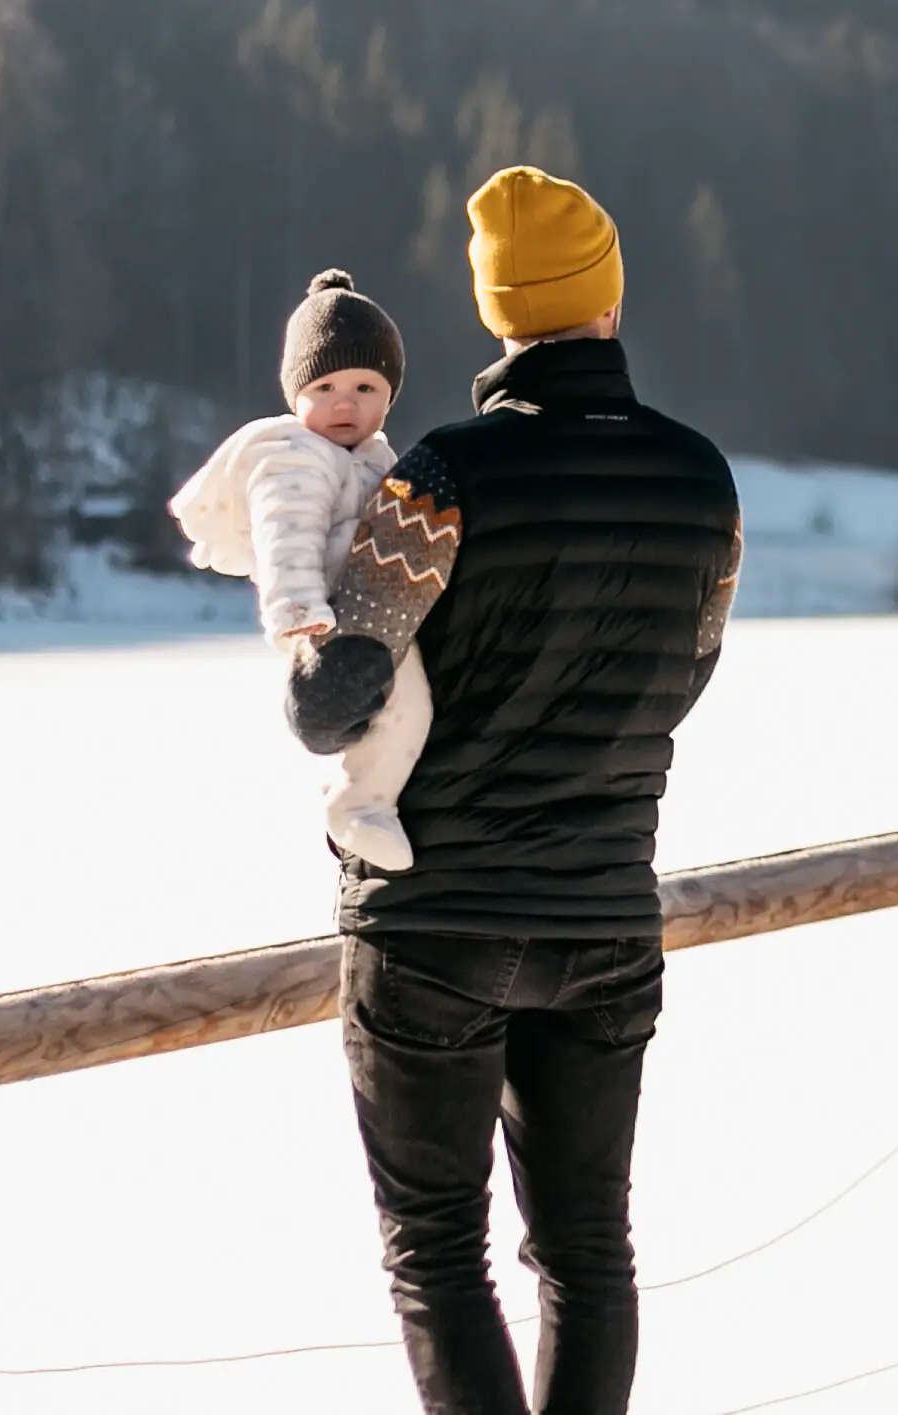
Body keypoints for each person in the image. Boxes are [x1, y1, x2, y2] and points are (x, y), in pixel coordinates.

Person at [301, 167, 742, 1415]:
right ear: (606, 301)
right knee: (590, 1252)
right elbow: (685, 678)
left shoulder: (440, 479)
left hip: (435, 920)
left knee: (438, 1256)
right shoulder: (702, 482)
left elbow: (334, 701)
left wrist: (295, 634)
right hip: (607, 915)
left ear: (501, 317)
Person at [171, 270, 436, 867]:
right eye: (326, 385)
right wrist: (296, 609)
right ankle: (357, 808)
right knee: (405, 706)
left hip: (368, 608)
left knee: (406, 708)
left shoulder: (371, 456)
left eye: (367, 386)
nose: (346, 402)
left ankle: (361, 794)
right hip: (324, 619)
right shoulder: (294, 460)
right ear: (296, 395)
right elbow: (285, 538)